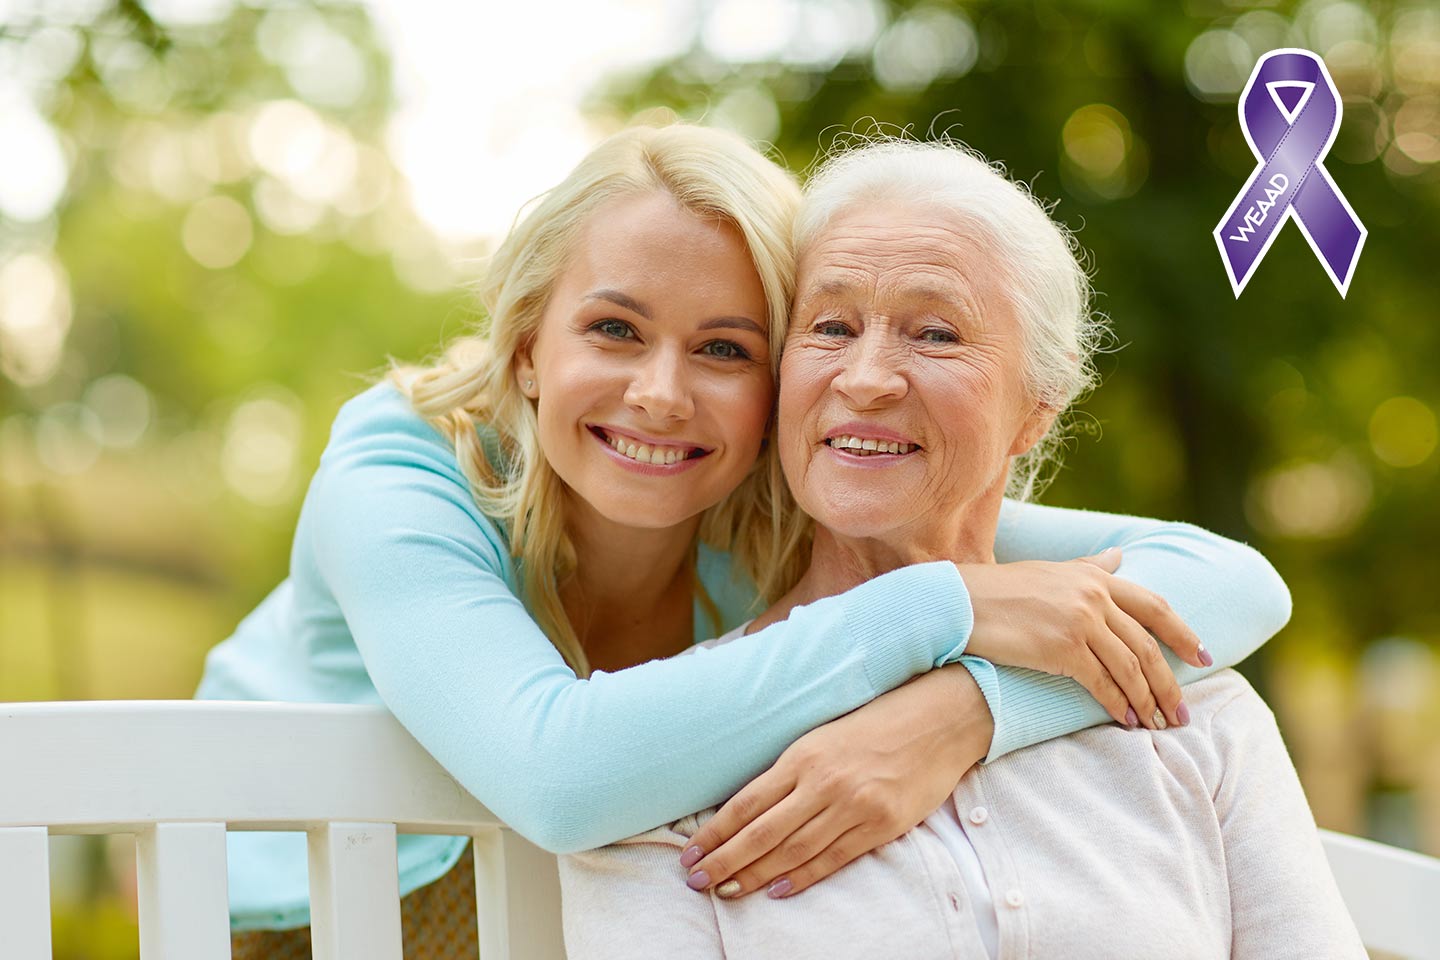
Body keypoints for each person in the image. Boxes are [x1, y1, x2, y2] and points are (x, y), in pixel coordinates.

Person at [197, 124, 1289, 955]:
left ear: (774, 383)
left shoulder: (777, 488)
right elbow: (561, 775)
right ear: (527, 343)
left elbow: (1227, 582)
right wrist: (946, 610)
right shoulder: (402, 463)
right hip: (315, 911)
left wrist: (964, 713)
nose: (662, 396)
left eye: (725, 349)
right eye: (614, 329)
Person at [558, 138, 1363, 959]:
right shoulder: (668, 762)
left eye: (936, 334)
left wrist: (968, 709)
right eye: (830, 326)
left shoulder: (1195, 707)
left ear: (1038, 405)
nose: (867, 378)